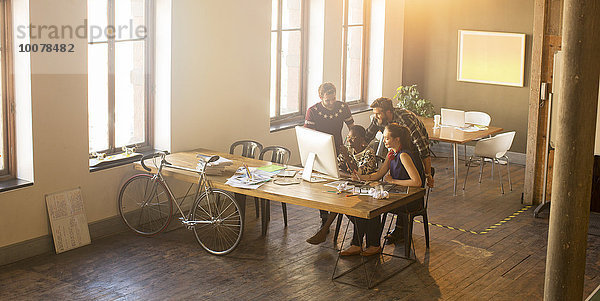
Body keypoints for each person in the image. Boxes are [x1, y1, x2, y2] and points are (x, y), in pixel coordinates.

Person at [354, 123, 425, 246]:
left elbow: (417, 182)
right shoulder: (391, 153)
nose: (384, 141)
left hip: (410, 200)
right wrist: (359, 177)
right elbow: (378, 174)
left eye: (387, 138)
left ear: (397, 139)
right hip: (398, 195)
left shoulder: (403, 155)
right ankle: (367, 243)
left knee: (373, 207)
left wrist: (393, 181)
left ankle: (371, 244)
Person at [306, 125, 378, 246]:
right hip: (351, 186)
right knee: (337, 198)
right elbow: (337, 169)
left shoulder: (369, 153)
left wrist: (347, 160)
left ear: (362, 139)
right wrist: (347, 174)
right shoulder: (349, 150)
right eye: (348, 137)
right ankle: (325, 231)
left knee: (342, 202)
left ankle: (324, 230)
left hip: (367, 190)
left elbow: (359, 174)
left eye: (353, 138)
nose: (349, 141)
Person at [304, 83, 354, 236]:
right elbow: (308, 135)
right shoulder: (313, 111)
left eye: (333, 99)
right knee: (321, 184)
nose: (331, 103)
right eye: (328, 100)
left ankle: (337, 210)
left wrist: (350, 141)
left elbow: (352, 126)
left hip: (338, 148)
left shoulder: (342, 107)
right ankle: (324, 217)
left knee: (338, 181)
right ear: (321, 98)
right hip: (320, 150)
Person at [365, 97, 434, 188]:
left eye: (378, 113)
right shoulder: (378, 119)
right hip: (396, 152)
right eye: (374, 114)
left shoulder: (406, 120)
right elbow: (366, 138)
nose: (375, 117)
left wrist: (428, 175)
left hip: (414, 152)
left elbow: (423, 149)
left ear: (388, 112)